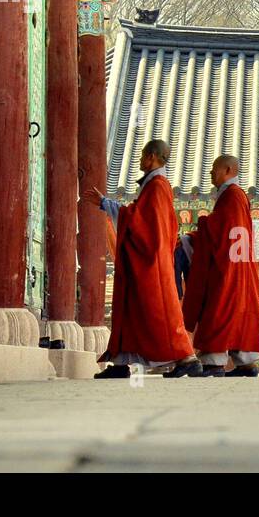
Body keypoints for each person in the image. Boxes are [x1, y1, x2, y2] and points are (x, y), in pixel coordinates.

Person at [95, 139, 203, 379]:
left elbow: (141, 223)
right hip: (147, 260)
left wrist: (106, 204)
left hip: (152, 264)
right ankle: (121, 362)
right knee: (132, 311)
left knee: (160, 314)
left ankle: (186, 357)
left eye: (143, 155)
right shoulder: (155, 185)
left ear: (153, 156)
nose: (140, 160)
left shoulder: (157, 186)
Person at [181, 154, 259, 377]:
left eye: (214, 170)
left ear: (228, 170)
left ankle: (213, 362)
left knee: (217, 308)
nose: (210, 174)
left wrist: (203, 223)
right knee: (238, 312)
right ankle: (245, 363)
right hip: (238, 265)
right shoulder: (237, 196)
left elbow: (222, 228)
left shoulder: (232, 196)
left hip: (228, 267)